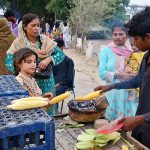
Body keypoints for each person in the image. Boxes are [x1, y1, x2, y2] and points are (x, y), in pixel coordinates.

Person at [94, 7, 150, 148]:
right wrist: (111, 86)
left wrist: (141, 118)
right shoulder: (147, 57)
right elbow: (137, 80)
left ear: (148, 36)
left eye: (136, 39)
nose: (134, 43)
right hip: (142, 125)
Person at [6, 13, 65, 116]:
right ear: (25, 27)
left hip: (47, 80)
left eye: (38, 25)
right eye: (33, 26)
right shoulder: (18, 43)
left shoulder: (45, 40)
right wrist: (24, 71)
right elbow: (9, 62)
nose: (36, 28)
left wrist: (48, 59)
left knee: (48, 105)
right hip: (29, 82)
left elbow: (60, 54)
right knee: (32, 111)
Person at [98, 22, 138, 121]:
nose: (118, 37)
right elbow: (102, 73)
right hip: (113, 92)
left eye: (121, 34)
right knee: (113, 123)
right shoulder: (106, 50)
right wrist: (118, 75)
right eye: (115, 34)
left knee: (128, 122)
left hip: (128, 92)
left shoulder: (130, 51)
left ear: (126, 35)